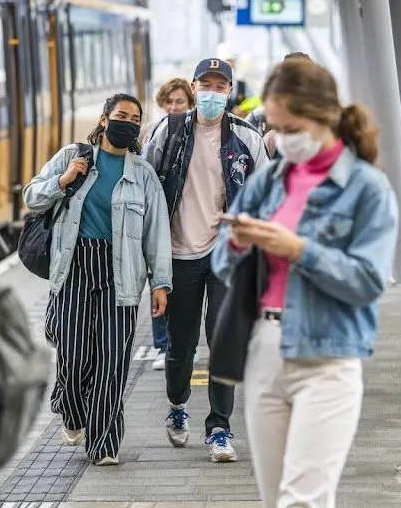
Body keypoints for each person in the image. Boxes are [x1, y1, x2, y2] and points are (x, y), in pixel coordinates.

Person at [212, 58, 398, 508]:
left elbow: (367, 281)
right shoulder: (270, 180)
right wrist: (238, 243)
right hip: (264, 352)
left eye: (291, 128)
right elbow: (222, 264)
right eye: (273, 126)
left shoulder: (366, 188)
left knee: (302, 506)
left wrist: (298, 249)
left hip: (328, 359)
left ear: (324, 117)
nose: (281, 138)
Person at [25, 94, 171, 466]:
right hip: (74, 265)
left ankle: (104, 442)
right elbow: (31, 198)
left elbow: (156, 234)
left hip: (120, 273)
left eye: (135, 119)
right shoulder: (74, 156)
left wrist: (160, 283)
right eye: (121, 115)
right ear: (104, 119)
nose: (128, 123)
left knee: (113, 360)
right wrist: (64, 179)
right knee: (72, 356)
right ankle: (72, 409)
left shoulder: (142, 175)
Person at [145, 57, 269, 462]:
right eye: (206, 84)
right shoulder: (170, 131)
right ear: (194, 87)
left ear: (230, 91)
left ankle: (219, 427)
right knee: (180, 346)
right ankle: (178, 405)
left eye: (221, 86)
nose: (212, 92)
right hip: (179, 253)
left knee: (223, 342)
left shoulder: (247, 138)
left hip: (225, 255)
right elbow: (148, 187)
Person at [141, 78, 195, 372]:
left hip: (187, 224)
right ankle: (162, 345)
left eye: (180, 103)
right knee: (158, 283)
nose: (174, 107)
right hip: (158, 221)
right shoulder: (151, 132)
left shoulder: (195, 133)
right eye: (170, 102)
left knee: (183, 293)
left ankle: (181, 345)